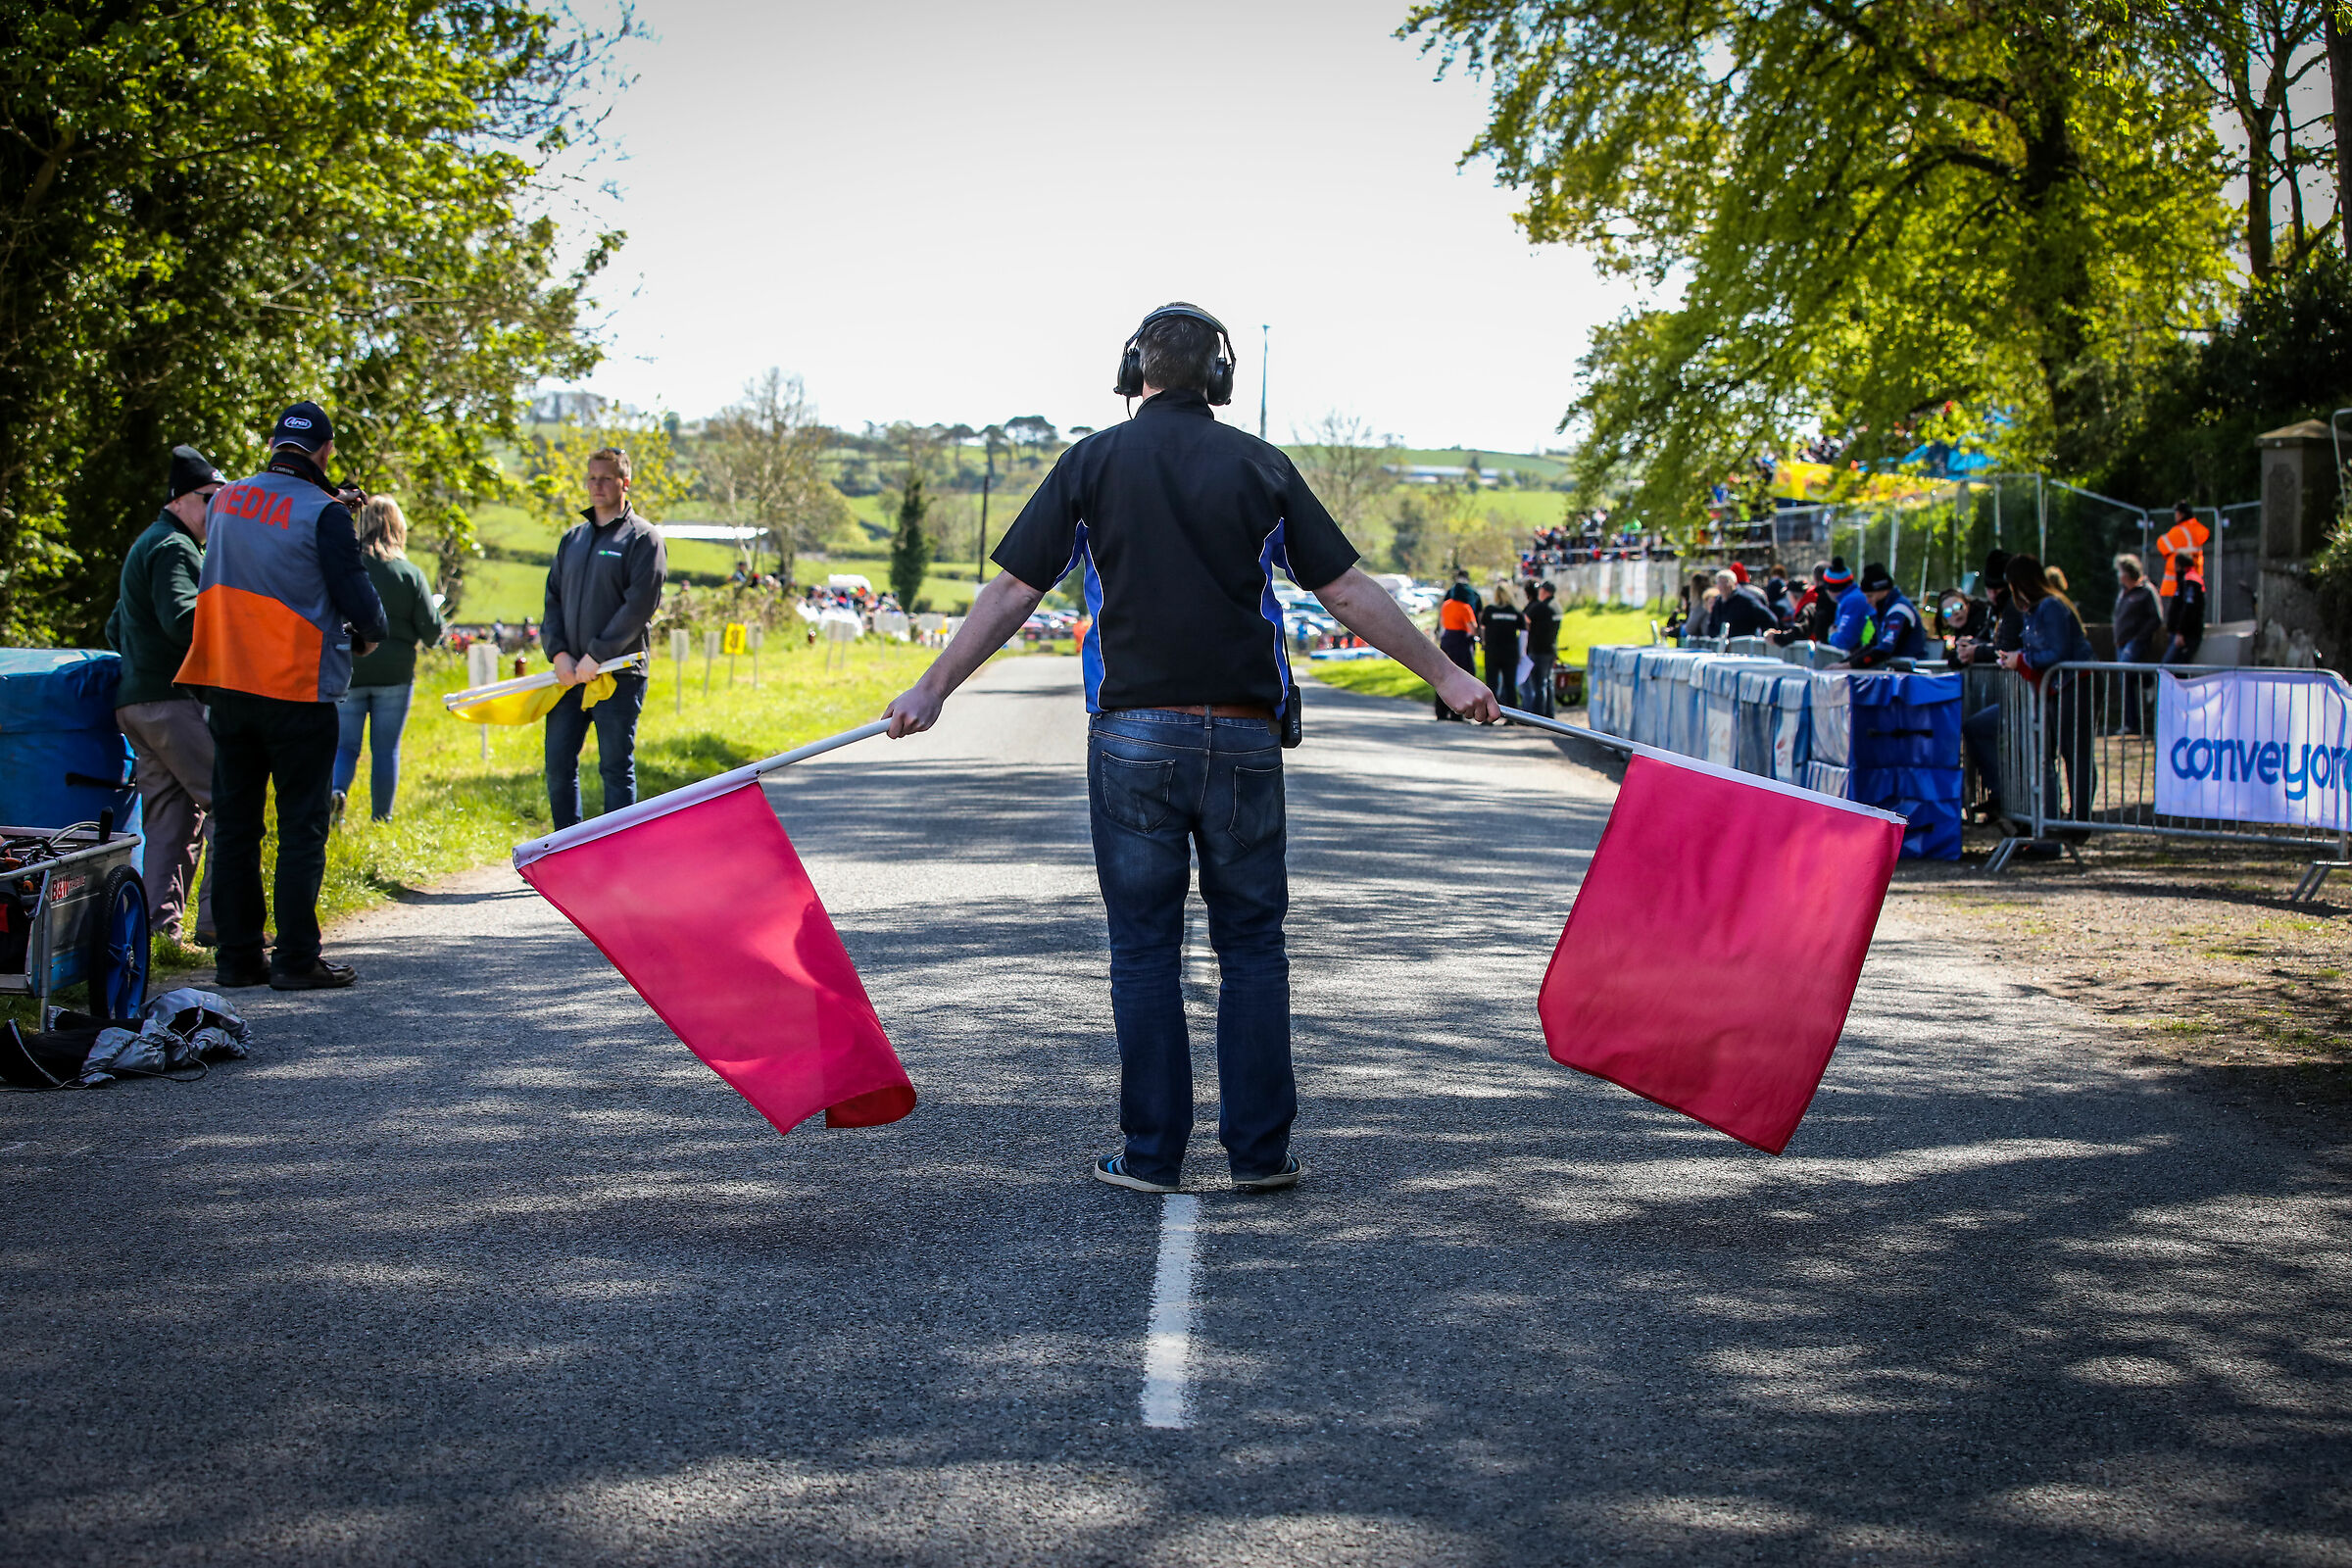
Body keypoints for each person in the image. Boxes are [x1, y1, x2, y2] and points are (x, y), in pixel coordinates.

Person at [878, 300, 1500, 1197]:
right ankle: (1259, 1157)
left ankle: (1152, 1156)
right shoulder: (1260, 464)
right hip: (1245, 737)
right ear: (1221, 379)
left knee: (1143, 948)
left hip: (1134, 733)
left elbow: (1015, 590)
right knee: (1252, 945)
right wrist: (1446, 676)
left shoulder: (1090, 462)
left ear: (1137, 372)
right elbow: (1349, 591)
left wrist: (933, 688)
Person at [174, 402, 387, 990]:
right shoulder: (324, 514)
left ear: (273, 443)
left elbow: (266, 534)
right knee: (301, 826)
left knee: (237, 826)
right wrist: (368, 636)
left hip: (229, 687)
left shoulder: (223, 503)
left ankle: (238, 959)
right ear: (324, 451)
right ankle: (296, 959)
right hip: (296, 689)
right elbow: (362, 607)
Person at [106, 444, 226, 947]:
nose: (217, 511)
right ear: (180, 499)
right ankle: (224, 925)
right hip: (171, 702)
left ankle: (157, 932)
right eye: (209, 499)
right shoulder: (176, 548)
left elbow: (117, 628)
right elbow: (183, 620)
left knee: (171, 818)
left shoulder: (150, 542)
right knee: (231, 799)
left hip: (137, 701)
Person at [541, 447, 665, 829]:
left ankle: (619, 855)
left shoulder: (644, 539)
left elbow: (638, 606)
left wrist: (596, 655)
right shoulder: (573, 540)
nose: (597, 485)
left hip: (618, 673)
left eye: (606, 478)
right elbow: (553, 600)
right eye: (592, 477)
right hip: (568, 678)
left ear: (624, 483)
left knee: (614, 768)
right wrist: (559, 653)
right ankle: (567, 849)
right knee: (558, 766)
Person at [333, 495, 444, 822]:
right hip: (395, 672)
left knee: (345, 747)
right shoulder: (408, 573)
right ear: (398, 527)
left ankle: (337, 794)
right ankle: (382, 818)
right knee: (385, 749)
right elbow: (431, 631)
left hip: (350, 667)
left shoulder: (345, 567)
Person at [1998, 554, 2097, 825]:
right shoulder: (2036, 609)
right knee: (2056, 754)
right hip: (2056, 686)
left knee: (2075, 753)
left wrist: (2022, 660)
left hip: (2072, 684)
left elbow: (2057, 651)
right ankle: (2060, 821)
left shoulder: (2050, 607)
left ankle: (2079, 820)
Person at [2110, 554, 2162, 734]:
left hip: (2136, 641)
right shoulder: (2122, 592)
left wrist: (2140, 637)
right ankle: (2130, 722)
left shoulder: (2146, 591)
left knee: (2126, 671)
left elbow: (2156, 618)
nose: (2119, 575)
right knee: (2125, 679)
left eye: (2121, 571)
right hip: (2121, 642)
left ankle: (2149, 683)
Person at [1848, 563, 1925, 667]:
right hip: (1899, 673)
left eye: (1870, 596)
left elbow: (1884, 649)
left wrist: (1850, 665)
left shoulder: (1898, 611)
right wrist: (1845, 662)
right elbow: (1873, 645)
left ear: (1884, 591)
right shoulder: (1885, 611)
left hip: (1910, 675)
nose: (1868, 601)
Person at [1436, 584, 1479, 720]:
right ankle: (1457, 713)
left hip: (1447, 639)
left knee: (1444, 674)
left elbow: (1442, 621)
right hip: (1461, 641)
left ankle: (1441, 712)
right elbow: (1471, 628)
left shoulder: (1446, 604)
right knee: (1463, 674)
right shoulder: (1465, 608)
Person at [1480, 581, 1526, 710]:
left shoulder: (1489, 610)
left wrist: (1484, 643)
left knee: (1491, 684)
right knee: (1510, 685)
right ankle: (1512, 715)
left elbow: (1483, 628)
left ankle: (1489, 715)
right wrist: (1522, 652)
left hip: (1492, 651)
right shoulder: (1515, 611)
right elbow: (1523, 633)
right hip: (1510, 652)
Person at [2154, 501, 2208, 602]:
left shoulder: (2179, 531)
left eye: (2177, 513)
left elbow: (2161, 544)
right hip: (2195, 580)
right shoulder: (2197, 530)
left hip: (2175, 584)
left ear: (2181, 514)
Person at [1523, 580, 1561, 718]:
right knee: (1548, 682)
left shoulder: (1541, 607)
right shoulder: (1557, 607)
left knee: (1538, 685)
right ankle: (1549, 713)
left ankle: (1539, 716)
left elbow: (1524, 620)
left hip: (1539, 650)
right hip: (1551, 649)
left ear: (1544, 592)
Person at [2164, 550, 2206, 663]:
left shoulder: (2190, 580)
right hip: (2181, 634)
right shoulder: (2185, 580)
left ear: (2178, 565)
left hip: (2185, 636)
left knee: (2168, 668)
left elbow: (2189, 609)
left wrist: (2180, 632)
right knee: (2177, 671)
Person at [1820, 559, 1871, 655]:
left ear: (1830, 588)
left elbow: (1845, 640)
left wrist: (1832, 636)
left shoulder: (1852, 601)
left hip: (1866, 658)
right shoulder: (1853, 596)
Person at [1708, 567, 1776, 638]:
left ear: (1733, 583)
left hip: (1744, 645)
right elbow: (1712, 626)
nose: (1722, 586)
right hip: (1722, 645)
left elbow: (1770, 619)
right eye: (1719, 583)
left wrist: (1764, 638)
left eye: (1725, 582)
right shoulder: (1718, 602)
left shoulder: (1746, 600)